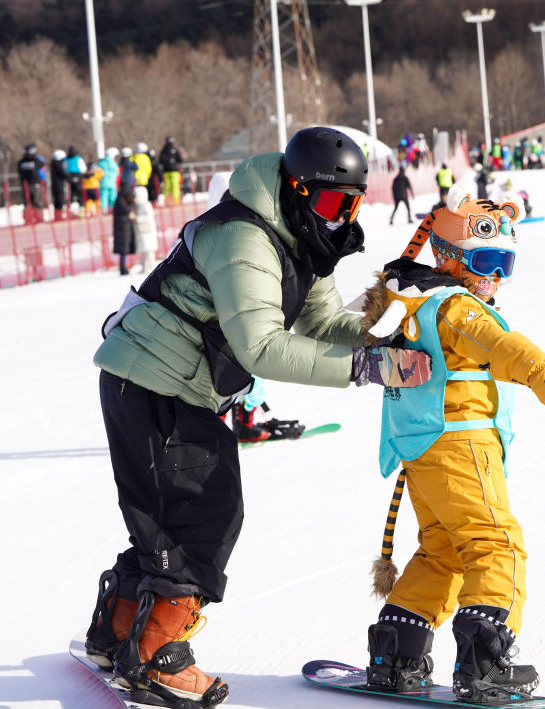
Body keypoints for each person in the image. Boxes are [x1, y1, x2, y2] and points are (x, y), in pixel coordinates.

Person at [82, 127, 433, 709]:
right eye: (330, 202)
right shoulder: (244, 237)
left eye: (350, 205)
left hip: (164, 382)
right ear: (297, 189)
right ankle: (154, 653)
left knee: (169, 515)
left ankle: (119, 630)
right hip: (152, 381)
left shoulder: (302, 235)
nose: (338, 217)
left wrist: (390, 332)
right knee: (206, 513)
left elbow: (322, 325)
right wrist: (366, 368)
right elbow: (262, 347)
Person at [357, 184, 545, 704]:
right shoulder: (457, 308)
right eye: (485, 261)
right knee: (494, 542)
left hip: (422, 450)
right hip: (462, 444)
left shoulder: (415, 301)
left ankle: (396, 652)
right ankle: (485, 660)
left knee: (442, 549)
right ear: (449, 256)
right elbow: (501, 345)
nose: (495, 277)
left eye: (506, 264)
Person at [111, 186, 136, 276]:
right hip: (121, 230)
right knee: (123, 251)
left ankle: (124, 268)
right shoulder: (120, 201)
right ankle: (123, 268)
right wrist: (132, 204)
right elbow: (126, 209)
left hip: (124, 229)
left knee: (124, 250)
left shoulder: (121, 200)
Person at [133, 185, 157, 273]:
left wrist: (137, 218)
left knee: (149, 251)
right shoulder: (139, 205)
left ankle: (151, 267)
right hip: (142, 231)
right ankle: (144, 267)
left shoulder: (146, 205)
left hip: (147, 232)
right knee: (143, 251)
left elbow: (149, 216)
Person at [17, 143, 46, 211]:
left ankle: (28, 216)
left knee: (26, 203)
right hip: (35, 183)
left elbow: (19, 172)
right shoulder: (36, 160)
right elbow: (42, 165)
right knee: (37, 202)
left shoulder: (21, 162)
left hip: (24, 184)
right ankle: (37, 216)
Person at [159, 137, 186, 206]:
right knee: (174, 187)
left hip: (167, 172)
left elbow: (160, 160)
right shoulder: (174, 150)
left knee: (167, 187)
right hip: (174, 172)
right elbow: (180, 160)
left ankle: (167, 202)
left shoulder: (164, 150)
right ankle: (175, 202)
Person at [64, 146, 87, 214]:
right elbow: (83, 169)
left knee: (71, 195)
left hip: (69, 177)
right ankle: (81, 211)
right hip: (77, 177)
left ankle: (72, 212)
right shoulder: (78, 158)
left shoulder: (66, 159)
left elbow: (64, 168)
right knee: (79, 195)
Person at [98, 148, 120, 213]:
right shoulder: (114, 163)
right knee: (113, 197)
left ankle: (104, 211)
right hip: (112, 183)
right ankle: (115, 210)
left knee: (103, 197)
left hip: (103, 183)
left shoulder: (101, 163)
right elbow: (117, 172)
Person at [49, 149, 68, 218]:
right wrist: (69, 177)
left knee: (57, 199)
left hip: (55, 185)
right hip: (59, 185)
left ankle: (57, 214)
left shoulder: (53, 164)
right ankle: (59, 215)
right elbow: (63, 173)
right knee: (60, 199)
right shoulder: (58, 165)